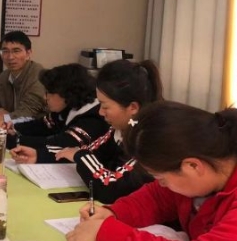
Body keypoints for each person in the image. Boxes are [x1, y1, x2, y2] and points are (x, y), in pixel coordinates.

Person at [66, 101, 237, 241]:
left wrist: (108, 233)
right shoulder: (208, 169)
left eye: (162, 178)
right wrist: (113, 213)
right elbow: (157, 197)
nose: (161, 184)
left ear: (193, 166)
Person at [44, 59, 163, 203]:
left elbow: (111, 189)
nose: (100, 112)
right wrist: (39, 155)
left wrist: (80, 156)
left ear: (133, 107)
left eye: (105, 106)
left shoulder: (150, 142)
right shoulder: (119, 130)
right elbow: (88, 152)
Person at [7, 63, 109, 163]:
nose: (45, 97)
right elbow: (42, 125)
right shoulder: (69, 107)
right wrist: (14, 128)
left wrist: (15, 141)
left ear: (67, 93)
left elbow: (60, 144)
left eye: (49, 92)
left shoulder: (93, 119)